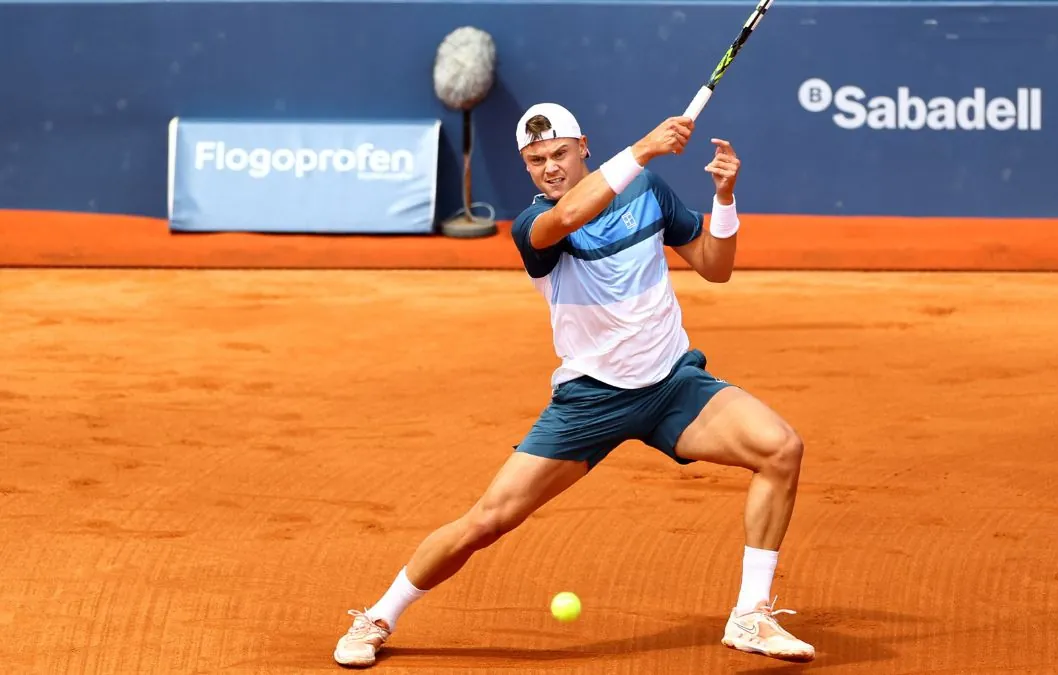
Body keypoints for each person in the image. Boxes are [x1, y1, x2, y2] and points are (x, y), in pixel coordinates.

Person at [332, 103, 815, 667]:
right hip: (591, 400)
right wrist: (643, 149)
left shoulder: (648, 192)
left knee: (780, 449)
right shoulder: (534, 226)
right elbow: (567, 216)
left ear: (583, 146)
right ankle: (377, 617)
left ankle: (751, 614)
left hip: (671, 385)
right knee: (487, 520)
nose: (551, 168)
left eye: (559, 153)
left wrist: (725, 200)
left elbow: (716, 267)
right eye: (536, 160)